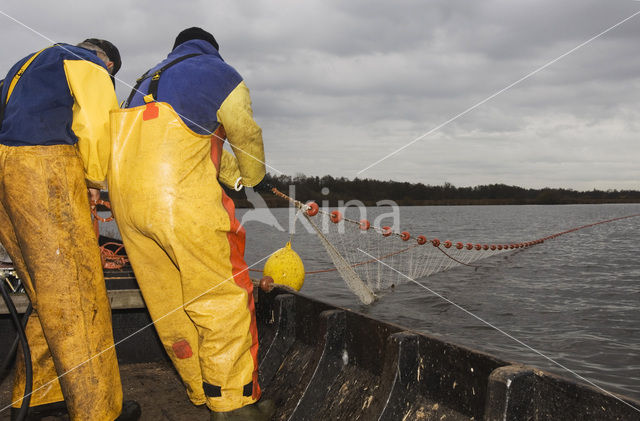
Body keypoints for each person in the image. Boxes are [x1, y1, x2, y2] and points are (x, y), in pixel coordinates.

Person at [108, 27, 273, 420]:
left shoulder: (144, 80)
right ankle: (233, 405)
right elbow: (243, 132)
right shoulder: (220, 73)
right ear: (212, 48)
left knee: (169, 303)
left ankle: (200, 388)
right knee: (223, 299)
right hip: (180, 204)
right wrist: (254, 178)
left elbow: (193, 142)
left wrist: (231, 176)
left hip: (128, 208)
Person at [0, 40, 140, 420]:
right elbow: (97, 123)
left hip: (6, 176)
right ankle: (99, 411)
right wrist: (94, 178)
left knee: (47, 297)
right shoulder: (87, 61)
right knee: (79, 296)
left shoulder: (23, 65)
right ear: (108, 61)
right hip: (44, 169)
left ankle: (42, 395)